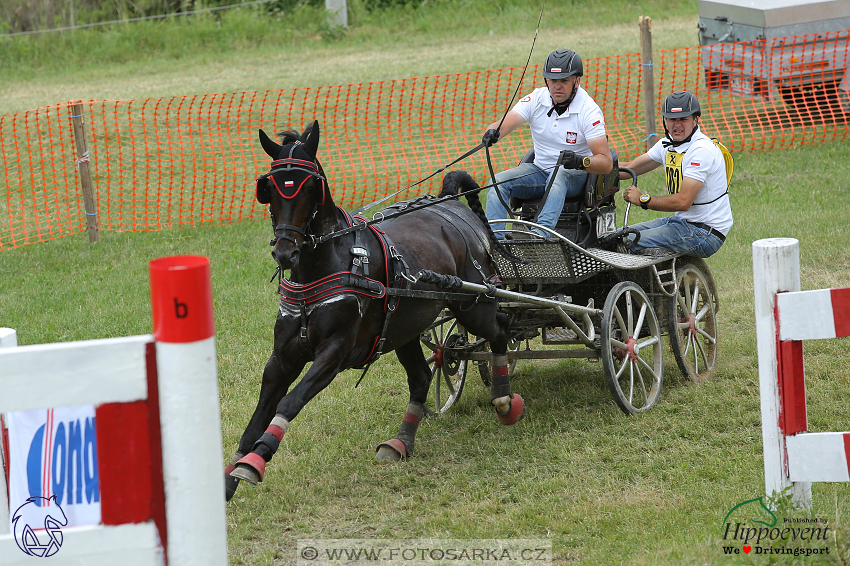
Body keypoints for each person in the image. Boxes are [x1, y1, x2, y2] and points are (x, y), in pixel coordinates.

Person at [481, 48, 614, 239]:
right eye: (553, 80)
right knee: (497, 182)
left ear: (577, 81)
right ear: (546, 81)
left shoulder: (589, 110)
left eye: (564, 81)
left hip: (576, 176)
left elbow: (606, 162)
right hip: (540, 172)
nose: (557, 86)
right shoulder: (536, 98)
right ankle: (495, 243)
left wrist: (579, 161)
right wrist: (493, 132)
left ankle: (540, 236)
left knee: (559, 174)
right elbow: (504, 124)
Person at [618, 90, 733, 257]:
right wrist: (592, 166)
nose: (677, 125)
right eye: (672, 119)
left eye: (683, 119)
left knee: (627, 243)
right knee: (615, 238)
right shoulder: (667, 144)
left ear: (695, 119)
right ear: (665, 120)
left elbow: (683, 201)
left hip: (706, 233)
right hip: (682, 223)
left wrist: (643, 200)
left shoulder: (701, 150)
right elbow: (629, 169)